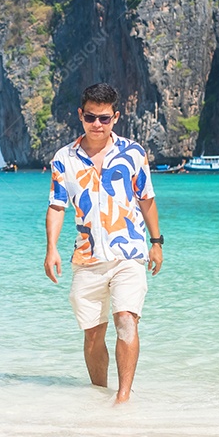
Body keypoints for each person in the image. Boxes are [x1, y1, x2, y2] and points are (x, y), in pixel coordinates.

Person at [44, 83, 163, 404]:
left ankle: (123, 399)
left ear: (116, 117)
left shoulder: (133, 153)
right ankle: (99, 396)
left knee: (126, 321)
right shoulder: (64, 159)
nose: (97, 124)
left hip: (129, 253)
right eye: (91, 117)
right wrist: (51, 249)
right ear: (80, 115)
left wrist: (156, 242)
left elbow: (146, 198)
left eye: (104, 118)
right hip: (87, 257)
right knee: (93, 335)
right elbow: (57, 206)